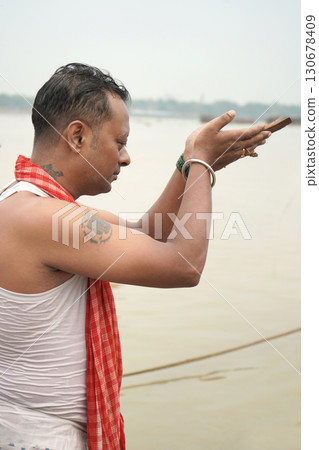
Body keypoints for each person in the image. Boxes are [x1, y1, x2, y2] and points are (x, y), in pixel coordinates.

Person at [0, 63, 271, 450]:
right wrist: (201, 163)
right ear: (77, 135)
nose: (125, 158)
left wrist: (188, 165)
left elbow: (148, 233)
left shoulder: (30, 205)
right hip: (35, 436)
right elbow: (183, 264)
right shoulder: (44, 219)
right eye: (119, 142)